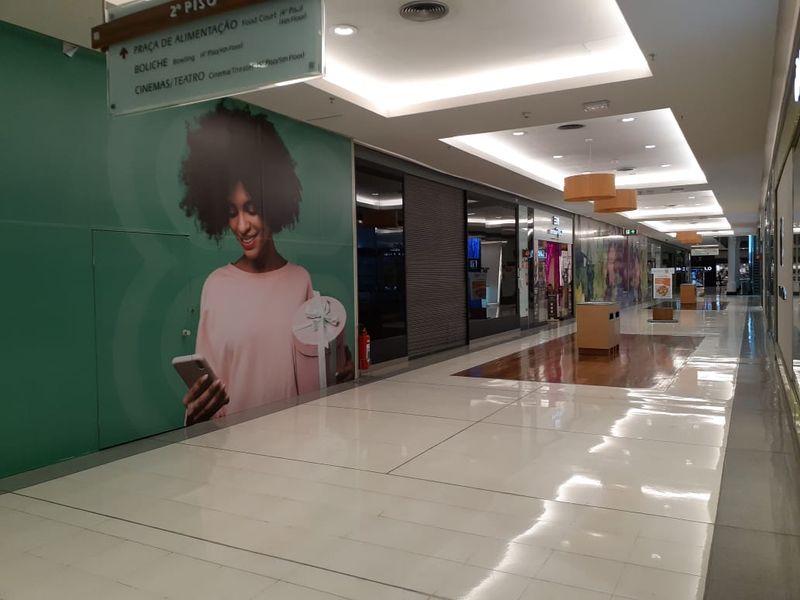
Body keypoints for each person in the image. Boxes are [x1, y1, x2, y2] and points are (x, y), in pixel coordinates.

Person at [178, 102, 352, 425]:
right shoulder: (215, 286)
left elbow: (312, 384)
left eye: (252, 208)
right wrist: (195, 414)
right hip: (233, 455)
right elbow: (208, 393)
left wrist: (339, 373)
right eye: (232, 212)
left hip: (292, 450)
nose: (242, 225)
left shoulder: (300, 281)